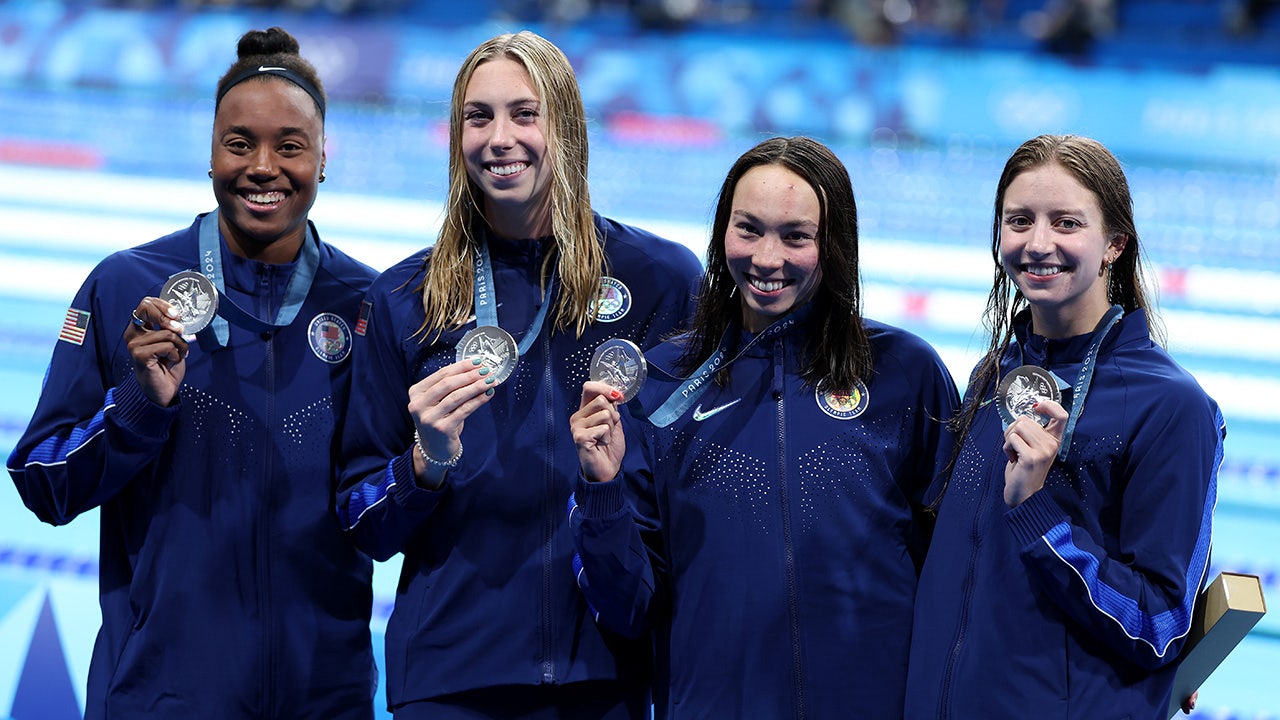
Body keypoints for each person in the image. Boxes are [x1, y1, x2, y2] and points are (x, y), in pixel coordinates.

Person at [6, 27, 378, 720]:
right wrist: (140, 407)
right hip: (163, 694)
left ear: (323, 159)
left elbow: (385, 507)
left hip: (324, 699)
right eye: (239, 143)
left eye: (289, 146)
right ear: (210, 155)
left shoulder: (366, 306)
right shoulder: (125, 286)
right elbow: (41, 484)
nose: (263, 166)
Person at [335, 30, 703, 718]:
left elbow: (686, 501)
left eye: (524, 114)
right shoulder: (406, 299)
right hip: (451, 682)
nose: (500, 138)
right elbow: (363, 524)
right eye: (479, 117)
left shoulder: (660, 282)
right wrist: (424, 465)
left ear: (564, 125)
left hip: (605, 674)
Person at [568, 136, 961, 718]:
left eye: (795, 236)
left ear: (835, 245)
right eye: (748, 229)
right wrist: (602, 491)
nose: (767, 258)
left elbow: (951, 577)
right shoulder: (661, 385)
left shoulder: (905, 373)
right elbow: (627, 609)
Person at [905, 134, 1224, 719]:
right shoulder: (994, 375)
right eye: (1019, 221)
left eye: (1067, 222)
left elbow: (1159, 624)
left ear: (1114, 245)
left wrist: (1037, 512)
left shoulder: (1172, 407)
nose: (1038, 243)